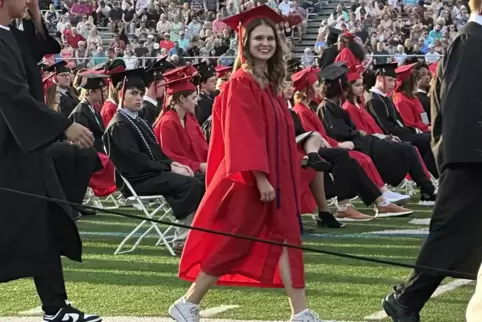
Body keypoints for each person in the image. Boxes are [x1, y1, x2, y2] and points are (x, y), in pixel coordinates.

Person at [170, 5, 328, 322]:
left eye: (270, 38)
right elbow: (244, 135)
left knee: (287, 240)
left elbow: (276, 135)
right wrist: (261, 178)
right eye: (258, 38)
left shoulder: (268, 87)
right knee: (234, 243)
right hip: (250, 181)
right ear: (245, 42)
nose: (265, 43)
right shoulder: (240, 84)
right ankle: (188, 302)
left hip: (273, 180)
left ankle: (301, 313)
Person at [0, 0, 101, 321]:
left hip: (24, 151)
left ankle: (55, 307)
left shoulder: (10, 35)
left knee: (42, 225)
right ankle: (55, 306)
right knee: (17, 230)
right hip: (8, 153)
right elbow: (13, 96)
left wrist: (34, 13)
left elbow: (41, 45)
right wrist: (64, 125)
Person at [381, 6, 482, 321]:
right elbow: (462, 112)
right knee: (449, 232)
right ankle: (407, 301)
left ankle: (408, 299)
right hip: (471, 159)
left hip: (470, 157)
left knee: (454, 233)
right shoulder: (471, 41)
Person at [102, 68, 205, 252]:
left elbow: (157, 153)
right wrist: (169, 169)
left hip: (151, 174)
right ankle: (182, 239)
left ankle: (195, 233)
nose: (139, 98)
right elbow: (136, 162)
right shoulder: (119, 125)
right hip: (138, 180)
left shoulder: (139, 121)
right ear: (120, 94)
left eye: (141, 93)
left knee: (201, 179)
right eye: (133, 93)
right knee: (190, 185)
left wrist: (173, 164)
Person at [291, 65, 412, 220]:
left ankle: (379, 202)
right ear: (306, 90)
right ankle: (353, 204)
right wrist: (338, 144)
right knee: (348, 156)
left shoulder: (309, 109)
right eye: (315, 86)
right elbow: (313, 137)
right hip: (311, 152)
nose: (318, 89)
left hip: (323, 148)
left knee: (355, 159)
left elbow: (322, 136)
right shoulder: (302, 111)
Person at [365, 63, 437, 204]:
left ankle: (431, 186)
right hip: (383, 140)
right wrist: (410, 132)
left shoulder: (385, 97)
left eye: (394, 80)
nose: (394, 84)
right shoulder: (373, 100)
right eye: (390, 80)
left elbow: (399, 122)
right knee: (419, 144)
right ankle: (429, 188)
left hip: (399, 134)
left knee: (428, 140)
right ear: (380, 78)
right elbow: (386, 127)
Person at [153, 66, 208, 175]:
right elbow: (170, 157)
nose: (196, 103)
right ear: (182, 99)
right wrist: (199, 167)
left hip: (200, 169)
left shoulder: (190, 118)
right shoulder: (167, 123)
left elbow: (203, 148)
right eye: (193, 98)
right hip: (183, 174)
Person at [140, 57, 175, 125]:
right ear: (155, 84)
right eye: (163, 84)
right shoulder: (146, 109)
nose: (165, 87)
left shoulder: (154, 105)